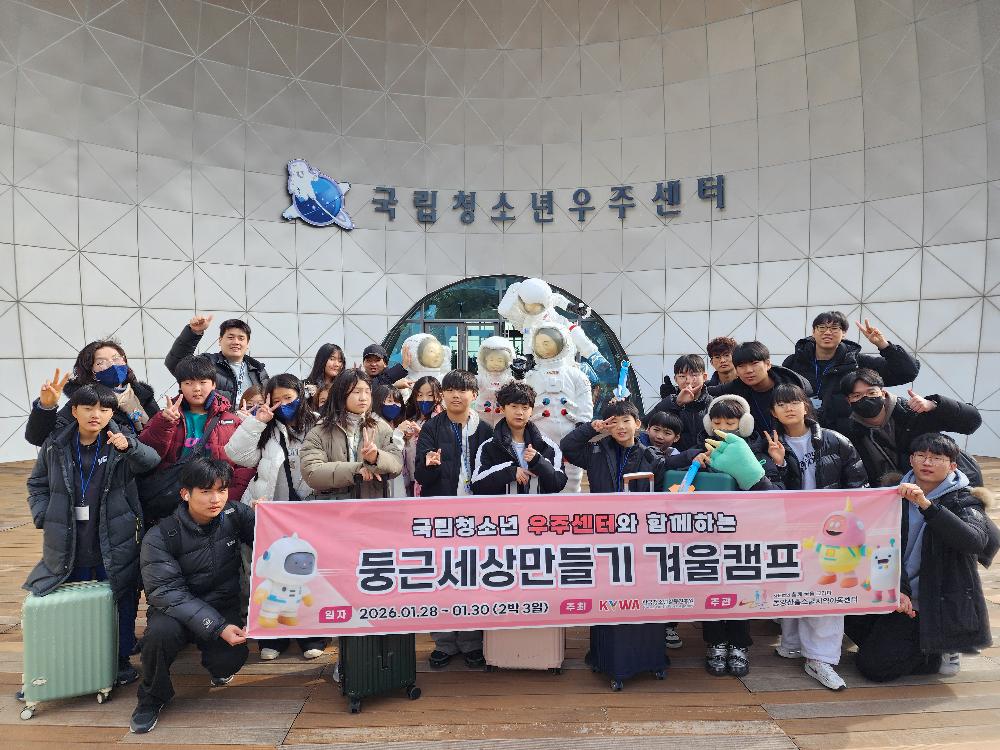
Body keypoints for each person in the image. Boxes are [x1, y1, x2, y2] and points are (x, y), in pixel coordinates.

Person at [24, 383, 160, 691]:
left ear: (112, 413)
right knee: (72, 601)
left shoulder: (120, 441)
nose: (96, 414)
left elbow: (151, 462)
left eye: (104, 409)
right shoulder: (56, 445)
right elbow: (37, 484)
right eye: (88, 408)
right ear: (74, 411)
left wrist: (130, 447)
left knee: (120, 599)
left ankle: (121, 660)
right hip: (69, 540)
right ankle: (75, 661)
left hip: (115, 539)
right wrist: (44, 514)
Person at [844, 433, 998, 683]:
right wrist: (898, 588)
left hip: (932, 600)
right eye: (921, 455)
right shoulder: (891, 495)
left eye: (937, 458)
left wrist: (928, 506)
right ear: (911, 460)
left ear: (952, 465)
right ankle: (913, 642)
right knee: (842, 610)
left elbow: (974, 541)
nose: (927, 462)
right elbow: (874, 545)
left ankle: (938, 651)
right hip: (894, 589)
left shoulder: (966, 500)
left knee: (873, 668)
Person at [129, 458, 257, 734]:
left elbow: (273, 538)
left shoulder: (235, 514)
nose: (216, 499)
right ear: (185, 493)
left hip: (222, 605)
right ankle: (152, 698)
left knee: (227, 663)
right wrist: (218, 627)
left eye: (222, 490)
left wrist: (267, 515)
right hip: (174, 610)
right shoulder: (160, 536)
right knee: (157, 637)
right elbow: (166, 592)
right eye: (206, 491)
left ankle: (214, 658)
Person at [768, 384, 868, 691]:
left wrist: (850, 523)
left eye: (794, 402)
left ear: (806, 405)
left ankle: (821, 658)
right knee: (793, 583)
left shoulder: (836, 441)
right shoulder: (768, 444)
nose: (789, 408)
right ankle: (792, 644)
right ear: (773, 412)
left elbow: (858, 484)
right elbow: (766, 489)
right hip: (790, 528)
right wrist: (778, 463)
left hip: (832, 530)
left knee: (828, 588)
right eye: (781, 404)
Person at [224, 374, 323, 662]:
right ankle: (273, 636)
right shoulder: (265, 427)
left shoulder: (318, 424)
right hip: (272, 513)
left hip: (310, 511)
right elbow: (236, 454)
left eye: (288, 398)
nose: (283, 405)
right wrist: (258, 421)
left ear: (300, 396)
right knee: (271, 573)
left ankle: (311, 635)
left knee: (309, 572)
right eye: (276, 400)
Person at [691, 395, 790, 678]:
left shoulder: (760, 453)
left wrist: (757, 471)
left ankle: (739, 644)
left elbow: (778, 494)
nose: (723, 428)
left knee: (740, 590)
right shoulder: (701, 452)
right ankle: (715, 643)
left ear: (744, 424)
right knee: (710, 590)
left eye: (730, 423)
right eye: (717, 422)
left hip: (746, 536)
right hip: (708, 536)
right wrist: (693, 463)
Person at [415, 370, 494, 668]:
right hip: (441, 515)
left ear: (474, 395)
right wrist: (430, 466)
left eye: (463, 390)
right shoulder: (431, 428)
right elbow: (421, 476)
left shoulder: (485, 430)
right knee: (442, 578)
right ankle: (444, 642)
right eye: (450, 390)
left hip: (477, 517)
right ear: (443, 395)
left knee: (473, 578)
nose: (456, 395)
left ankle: (472, 642)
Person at [138, 355, 254, 522]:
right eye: (188, 383)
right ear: (180, 386)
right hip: (174, 502)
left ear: (213, 384)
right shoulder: (166, 416)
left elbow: (245, 465)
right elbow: (147, 455)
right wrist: (164, 423)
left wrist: (227, 501)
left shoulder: (232, 421)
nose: (196, 388)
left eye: (203, 382)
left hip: (216, 502)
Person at [782, 312, 920, 435]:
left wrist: (884, 346)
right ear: (813, 331)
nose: (827, 332)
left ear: (844, 333)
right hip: (803, 433)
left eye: (834, 328)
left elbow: (907, 372)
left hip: (849, 437)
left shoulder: (857, 363)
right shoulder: (794, 362)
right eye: (822, 328)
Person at [840, 369, 983, 486]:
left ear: (883, 393)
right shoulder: (848, 431)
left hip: (944, 486)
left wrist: (935, 405)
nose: (865, 398)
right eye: (857, 395)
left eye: (871, 393)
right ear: (848, 400)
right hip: (894, 494)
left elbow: (971, 422)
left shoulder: (914, 411)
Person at [24, 340, 160, 446]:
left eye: (116, 358)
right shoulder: (84, 401)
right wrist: (46, 407)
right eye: (101, 362)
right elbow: (39, 438)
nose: (112, 365)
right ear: (91, 372)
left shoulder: (142, 395)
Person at [299, 369, 403, 500]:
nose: (363, 397)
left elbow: (397, 464)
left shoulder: (381, 428)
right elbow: (312, 473)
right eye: (357, 392)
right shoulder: (320, 431)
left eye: (367, 392)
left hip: (372, 507)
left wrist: (376, 458)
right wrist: (356, 470)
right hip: (335, 509)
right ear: (341, 394)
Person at [523, 323, 594, 493]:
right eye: (539, 344)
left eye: (547, 343)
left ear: (561, 343)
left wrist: (582, 428)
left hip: (570, 435)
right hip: (539, 434)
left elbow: (585, 404)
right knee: (539, 474)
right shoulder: (530, 376)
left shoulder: (576, 374)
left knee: (571, 477)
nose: (542, 347)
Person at [471, 381, 567, 495]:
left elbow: (558, 484)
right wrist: (509, 472)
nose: (520, 412)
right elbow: (477, 486)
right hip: (504, 507)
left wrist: (538, 461)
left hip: (538, 507)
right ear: (502, 409)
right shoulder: (489, 447)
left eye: (525, 407)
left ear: (532, 411)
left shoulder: (548, 446)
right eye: (514, 406)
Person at [708, 341, 812, 435]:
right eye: (741, 366)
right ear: (736, 370)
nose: (748, 370)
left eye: (754, 363)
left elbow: (812, 422)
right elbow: (708, 392)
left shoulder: (794, 387)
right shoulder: (736, 388)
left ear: (768, 364)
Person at [165, 315, 268, 408]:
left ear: (247, 344)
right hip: (216, 422)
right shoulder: (207, 363)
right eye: (231, 337)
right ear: (220, 340)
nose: (236, 342)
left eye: (241, 338)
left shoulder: (258, 369)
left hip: (252, 421)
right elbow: (176, 364)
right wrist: (193, 333)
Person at [650, 354, 712, 451]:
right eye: (682, 376)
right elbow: (646, 423)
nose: (688, 381)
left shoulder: (714, 405)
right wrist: (676, 403)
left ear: (704, 377)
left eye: (694, 375)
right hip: (674, 459)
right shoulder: (670, 402)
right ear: (676, 379)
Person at [399, 376, 442, 496]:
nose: (424, 399)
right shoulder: (410, 417)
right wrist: (403, 436)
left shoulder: (441, 420)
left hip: (427, 479)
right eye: (420, 395)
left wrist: (423, 434)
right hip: (408, 478)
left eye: (430, 395)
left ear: (439, 396)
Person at [372, 382, 407, 497]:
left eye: (397, 402)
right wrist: (399, 433)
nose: (394, 405)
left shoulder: (392, 423)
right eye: (389, 401)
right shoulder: (374, 424)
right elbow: (390, 453)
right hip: (382, 482)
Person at [304, 343, 346, 408]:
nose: (336, 364)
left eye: (340, 361)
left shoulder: (343, 387)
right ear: (321, 360)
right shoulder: (306, 386)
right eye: (332, 359)